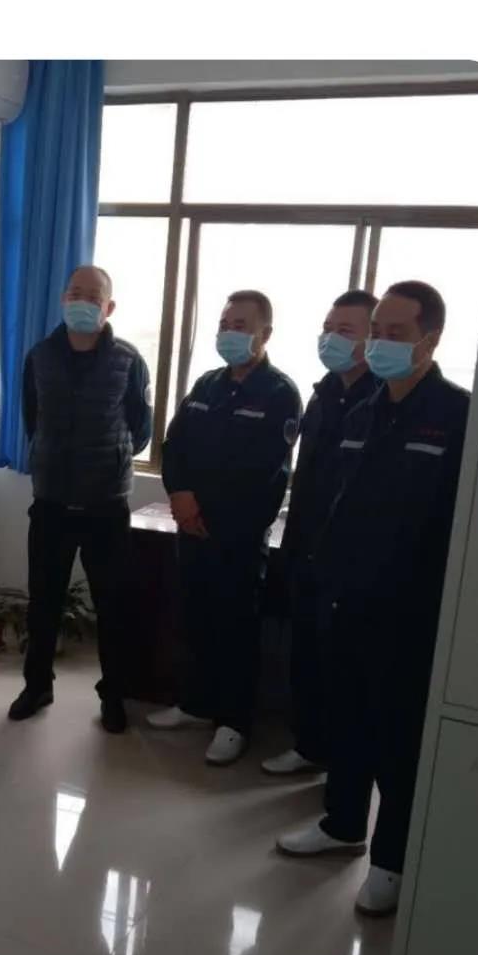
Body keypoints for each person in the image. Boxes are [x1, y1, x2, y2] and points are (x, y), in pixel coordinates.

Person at [276, 281, 470, 917]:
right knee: (348, 721)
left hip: (410, 610)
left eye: (396, 333)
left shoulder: (459, 416)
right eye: (377, 332)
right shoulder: (361, 413)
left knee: (398, 740)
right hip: (345, 596)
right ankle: (342, 825)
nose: (380, 343)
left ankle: (391, 861)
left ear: (430, 340)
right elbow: (336, 504)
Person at [148, 290, 301, 765]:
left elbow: (264, 470)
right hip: (191, 528)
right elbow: (175, 445)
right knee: (196, 620)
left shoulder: (280, 392)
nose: (229, 333)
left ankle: (233, 723)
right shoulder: (207, 384)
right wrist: (180, 495)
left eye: (240, 325)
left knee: (235, 630)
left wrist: (204, 511)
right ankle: (196, 705)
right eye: (224, 323)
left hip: (237, 537)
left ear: (264, 333)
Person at [7, 265, 152, 733]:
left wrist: (108, 458)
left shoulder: (128, 360)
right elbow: (32, 419)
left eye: (93, 296)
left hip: (105, 504)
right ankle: (37, 686)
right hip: (51, 501)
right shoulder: (40, 356)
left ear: (109, 307)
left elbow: (141, 428)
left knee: (112, 604)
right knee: (43, 601)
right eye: (75, 293)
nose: (82, 302)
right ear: (63, 299)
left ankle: (113, 696)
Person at [262, 290, 379, 775]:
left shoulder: (381, 400)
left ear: (373, 338)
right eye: (328, 328)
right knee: (305, 654)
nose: (330, 339)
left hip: (352, 563)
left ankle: (341, 765)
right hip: (305, 549)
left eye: (345, 330)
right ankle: (309, 746)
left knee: (346, 668)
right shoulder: (324, 393)